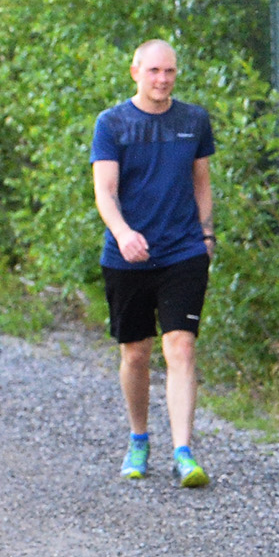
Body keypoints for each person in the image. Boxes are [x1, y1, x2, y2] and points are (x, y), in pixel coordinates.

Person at [92, 38, 215, 488]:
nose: (162, 80)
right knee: (136, 352)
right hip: (127, 255)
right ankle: (139, 438)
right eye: (154, 72)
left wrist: (205, 233)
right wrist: (124, 234)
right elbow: (105, 190)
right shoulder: (113, 123)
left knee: (180, 346)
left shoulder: (193, 120)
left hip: (182, 249)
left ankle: (184, 451)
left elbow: (201, 180)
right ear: (135, 72)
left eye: (170, 72)